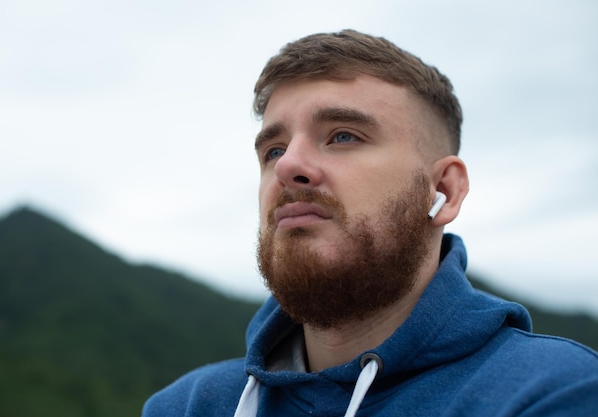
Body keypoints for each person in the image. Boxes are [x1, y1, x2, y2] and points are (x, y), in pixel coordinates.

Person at [142, 29, 598, 416]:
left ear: (444, 190)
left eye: (343, 136)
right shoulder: (188, 405)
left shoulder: (552, 393)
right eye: (274, 150)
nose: (288, 166)